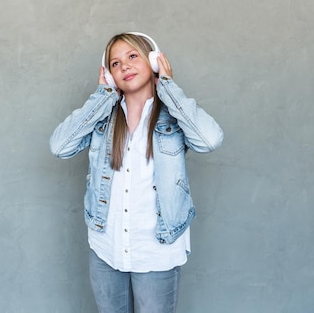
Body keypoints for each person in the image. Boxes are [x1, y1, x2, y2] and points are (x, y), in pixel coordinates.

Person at [49, 32, 223, 313]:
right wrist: (103, 95)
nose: (125, 66)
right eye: (115, 64)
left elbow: (209, 139)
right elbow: (60, 146)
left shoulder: (173, 118)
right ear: (109, 74)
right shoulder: (104, 118)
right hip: (107, 247)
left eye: (132, 56)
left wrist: (167, 85)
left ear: (154, 61)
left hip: (156, 250)